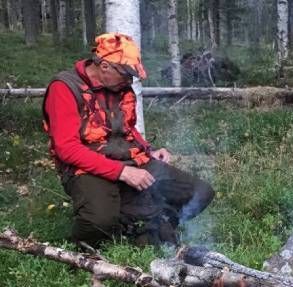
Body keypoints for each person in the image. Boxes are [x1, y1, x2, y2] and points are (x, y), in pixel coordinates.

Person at [43, 33, 214, 246]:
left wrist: (147, 150)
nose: (129, 81)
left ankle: (153, 223)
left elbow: (126, 129)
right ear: (105, 66)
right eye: (126, 74)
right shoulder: (64, 88)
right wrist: (122, 172)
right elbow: (66, 149)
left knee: (201, 193)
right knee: (100, 220)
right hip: (85, 168)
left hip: (129, 160)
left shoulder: (120, 87)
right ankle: (84, 252)